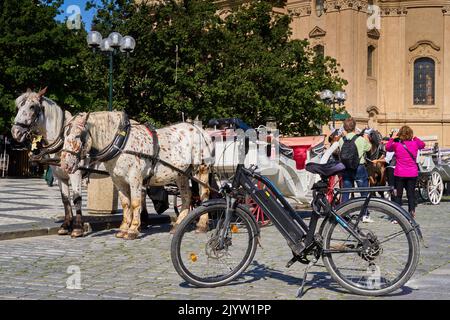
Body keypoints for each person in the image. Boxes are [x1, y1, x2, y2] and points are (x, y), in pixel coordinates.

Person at [386, 126, 425, 218]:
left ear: (400, 134)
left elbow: (387, 148)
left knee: (398, 195)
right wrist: (414, 137)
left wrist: (392, 138)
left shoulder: (397, 145)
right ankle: (411, 212)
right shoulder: (415, 144)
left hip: (400, 173)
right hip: (412, 173)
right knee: (410, 194)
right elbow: (422, 145)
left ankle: (399, 215)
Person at [338, 118, 372, 222]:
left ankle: (343, 213)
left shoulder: (341, 140)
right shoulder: (360, 139)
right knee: (364, 191)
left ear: (344, 128)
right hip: (359, 167)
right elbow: (369, 148)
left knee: (346, 192)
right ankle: (365, 214)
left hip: (346, 168)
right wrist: (366, 137)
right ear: (354, 127)